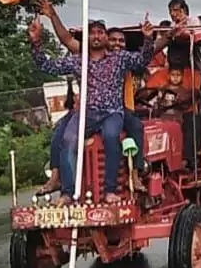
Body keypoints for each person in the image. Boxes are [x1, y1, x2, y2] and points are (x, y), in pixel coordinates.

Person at [28, 16, 154, 205]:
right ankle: (67, 193)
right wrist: (36, 43)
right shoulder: (78, 61)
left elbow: (142, 60)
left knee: (111, 137)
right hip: (87, 113)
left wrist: (148, 39)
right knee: (68, 140)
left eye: (100, 32)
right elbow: (48, 65)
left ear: (106, 37)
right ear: (87, 38)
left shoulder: (119, 58)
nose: (96, 36)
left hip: (112, 112)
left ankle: (110, 190)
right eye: (92, 33)